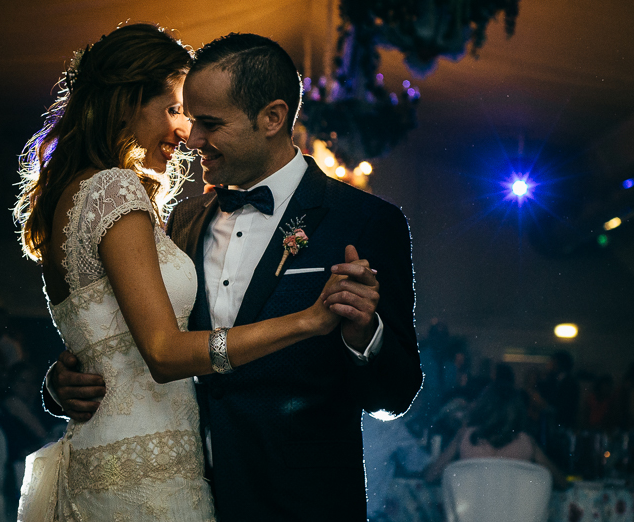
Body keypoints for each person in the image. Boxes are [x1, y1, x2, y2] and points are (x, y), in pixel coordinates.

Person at [48, 32, 423, 520]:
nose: (192, 138)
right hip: (181, 493)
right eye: (189, 118)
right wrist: (64, 383)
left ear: (272, 117)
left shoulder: (365, 221)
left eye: (209, 123)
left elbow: (396, 394)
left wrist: (362, 334)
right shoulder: (178, 222)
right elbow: (136, 337)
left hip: (302, 507)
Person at [424, 383, 568, 489]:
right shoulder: (527, 442)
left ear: (484, 406)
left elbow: (431, 476)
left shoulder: (464, 436)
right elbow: (561, 483)